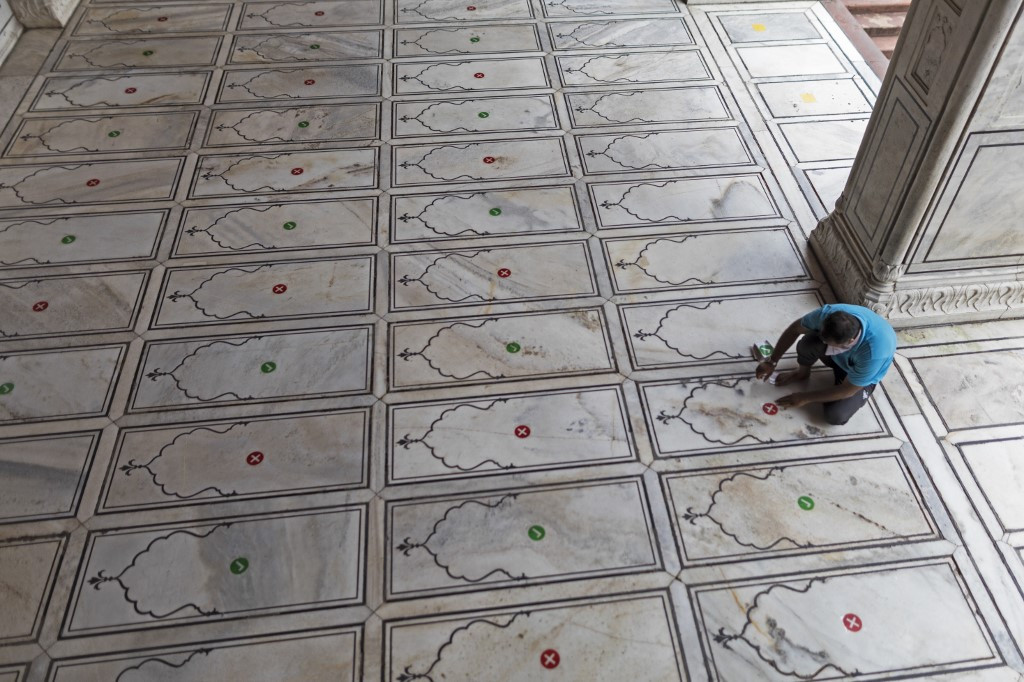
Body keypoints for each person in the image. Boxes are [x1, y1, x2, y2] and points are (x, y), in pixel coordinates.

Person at [755, 303, 897, 425]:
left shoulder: (874, 352)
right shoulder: (828, 314)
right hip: (838, 358)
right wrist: (772, 361)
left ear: (849, 341)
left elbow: (848, 390)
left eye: (828, 343)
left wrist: (805, 397)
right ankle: (802, 373)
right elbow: (795, 329)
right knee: (808, 343)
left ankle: (846, 384)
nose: (823, 343)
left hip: (859, 374)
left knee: (836, 415)